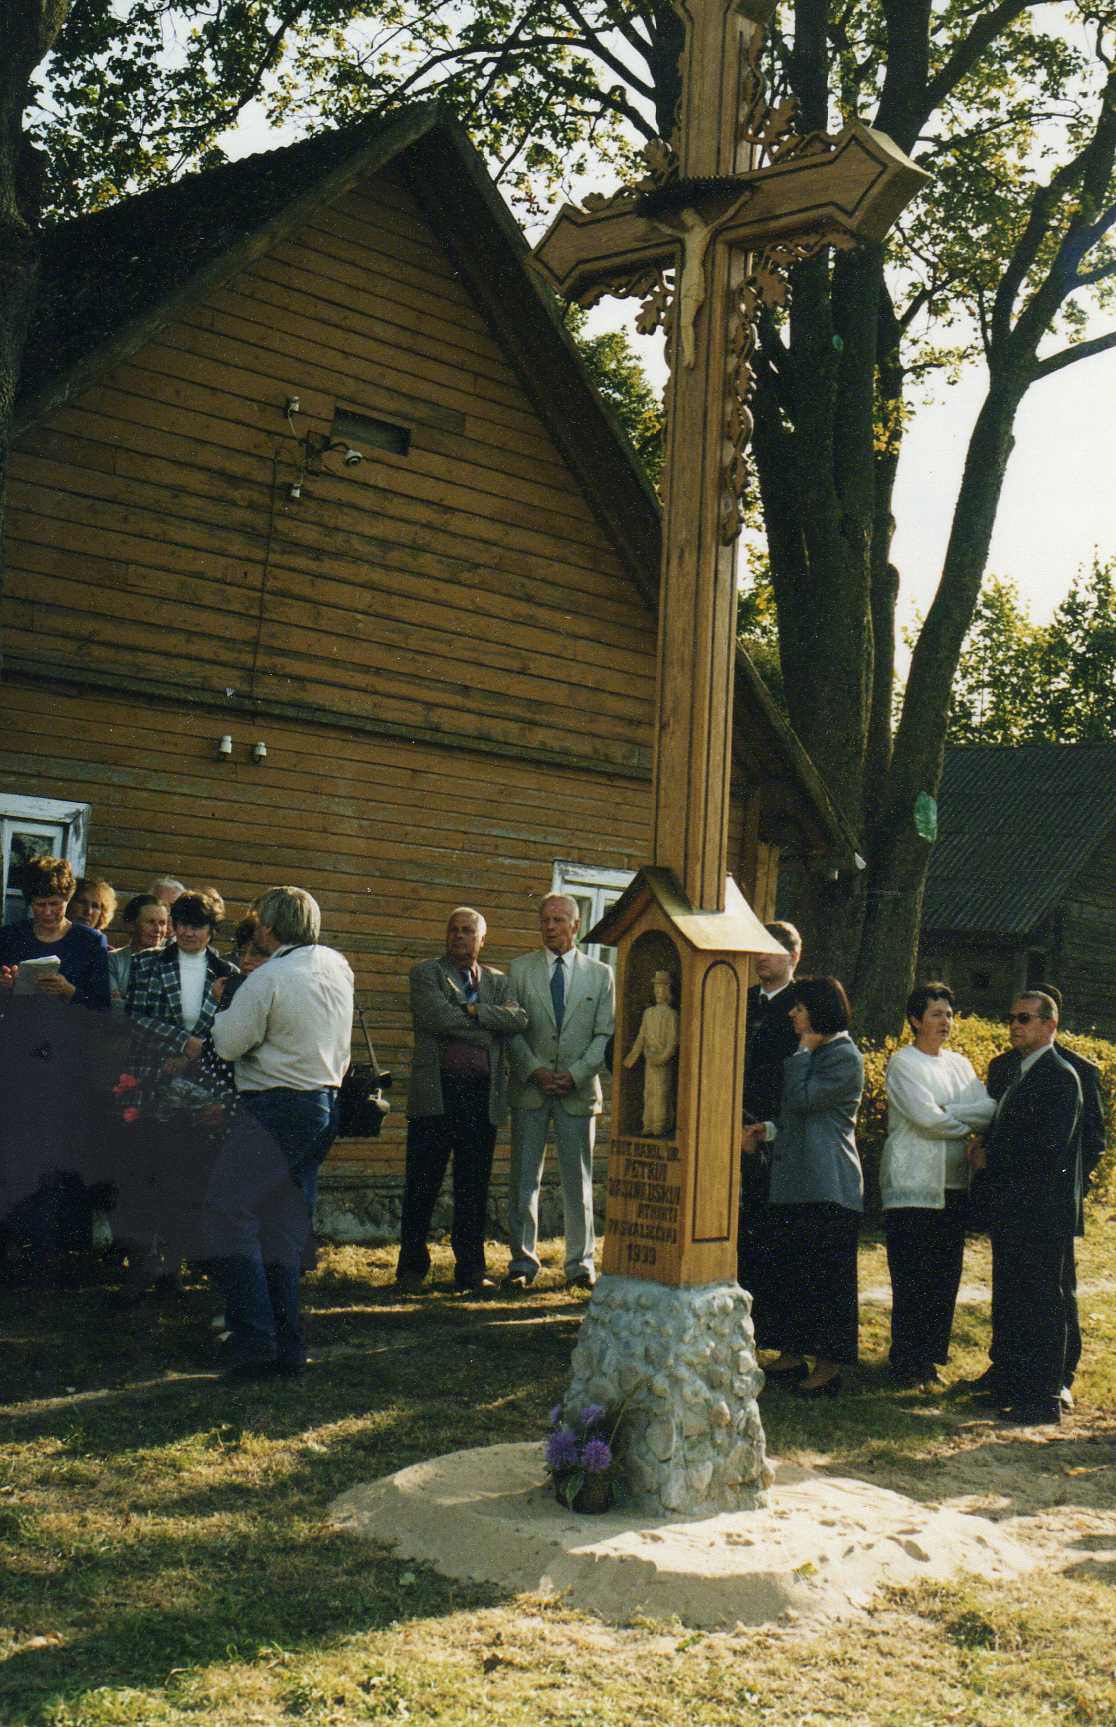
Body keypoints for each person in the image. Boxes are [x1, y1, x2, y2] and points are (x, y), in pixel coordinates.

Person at [208, 885, 353, 1379]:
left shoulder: (268, 977)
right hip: (323, 1104)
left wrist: (225, 1004)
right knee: (282, 1227)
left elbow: (228, 1045)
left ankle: (255, 1339)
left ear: (268, 928)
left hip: (275, 1105)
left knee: (229, 1211)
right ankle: (287, 1345)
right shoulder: (336, 965)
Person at [970, 985, 1095, 1417]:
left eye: (1024, 1018)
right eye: (1012, 1018)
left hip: (1041, 1211)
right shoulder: (1020, 1072)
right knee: (1014, 1300)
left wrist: (992, 1157)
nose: (1015, 1026)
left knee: (1042, 1303)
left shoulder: (1060, 1076)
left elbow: (1047, 1149)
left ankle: (1042, 1397)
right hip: (1014, 1208)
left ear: (1050, 1024)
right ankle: (1012, 1385)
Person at [395, 906, 528, 1295]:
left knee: (474, 1186)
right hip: (437, 1095)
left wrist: (470, 1011)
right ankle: (411, 1269)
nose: (459, 936)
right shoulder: (426, 975)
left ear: (481, 939)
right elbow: (437, 1018)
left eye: (468, 930)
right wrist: (488, 1024)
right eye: (453, 929)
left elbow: (518, 1019)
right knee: (422, 1183)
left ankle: (470, 1271)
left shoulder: (499, 982)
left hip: (481, 1098)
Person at [742, 975, 864, 1397]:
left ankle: (828, 1366)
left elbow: (805, 1100)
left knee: (825, 1278)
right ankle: (793, 1353)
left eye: (799, 1008)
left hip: (828, 1185)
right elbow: (799, 1118)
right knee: (792, 1270)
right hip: (797, 1181)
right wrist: (769, 1131)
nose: (792, 1014)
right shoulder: (818, 1052)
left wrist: (801, 1054)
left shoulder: (843, 1056)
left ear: (818, 1011)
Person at [122, 892, 237, 1297]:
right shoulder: (146, 963)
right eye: (181, 923)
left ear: (212, 930)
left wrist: (192, 1058)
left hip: (200, 1092)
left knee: (187, 1182)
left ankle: (172, 1269)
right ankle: (140, 1268)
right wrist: (180, 1044)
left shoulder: (228, 972)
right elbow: (134, 1020)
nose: (187, 932)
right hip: (151, 1085)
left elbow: (230, 1035)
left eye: (197, 925)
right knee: (145, 1178)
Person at [880, 982, 995, 1386]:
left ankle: (930, 1358)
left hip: (952, 1183)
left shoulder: (960, 1065)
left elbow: (989, 1110)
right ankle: (906, 1360)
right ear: (915, 1020)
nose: (945, 1022)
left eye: (948, 1014)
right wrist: (960, 1118)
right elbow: (924, 1120)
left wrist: (949, 1110)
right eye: (935, 1015)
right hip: (912, 1183)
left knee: (944, 1275)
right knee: (912, 1274)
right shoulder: (903, 1063)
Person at [504, 894, 615, 1291]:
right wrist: (533, 1069)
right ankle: (521, 1262)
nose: (550, 927)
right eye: (545, 920)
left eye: (558, 920)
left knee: (578, 1180)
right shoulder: (518, 971)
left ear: (576, 926)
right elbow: (512, 1031)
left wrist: (577, 1073)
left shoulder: (600, 975)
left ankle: (580, 1265)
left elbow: (604, 1032)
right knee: (523, 1179)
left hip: (577, 1091)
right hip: (530, 1089)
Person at [739, 921, 802, 1335]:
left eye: (772, 950)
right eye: (757, 948)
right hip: (733, 1122)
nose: (761, 956)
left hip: (778, 1128)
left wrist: (775, 1124)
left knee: (769, 1224)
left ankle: (767, 1320)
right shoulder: (741, 1000)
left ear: (794, 956)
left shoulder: (802, 1005)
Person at [0, 855, 111, 1011]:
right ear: (29, 902)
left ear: (67, 900)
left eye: (55, 904)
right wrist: (5, 986)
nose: (48, 912)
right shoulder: (9, 936)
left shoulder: (91, 941)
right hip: (17, 1030)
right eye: (40, 905)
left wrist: (69, 991)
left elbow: (103, 1007)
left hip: (67, 1032)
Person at [623, 969, 679, 1137]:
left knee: (662, 1093)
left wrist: (662, 1058)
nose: (658, 992)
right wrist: (631, 1058)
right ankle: (648, 1124)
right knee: (649, 1092)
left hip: (662, 1062)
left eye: (662, 989)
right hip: (649, 1059)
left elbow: (672, 1041)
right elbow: (641, 1037)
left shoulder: (672, 1015)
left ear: (668, 991)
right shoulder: (648, 1013)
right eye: (656, 989)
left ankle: (659, 1125)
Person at [107, 894, 170, 1012]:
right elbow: (115, 1007)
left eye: (162, 923)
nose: (158, 929)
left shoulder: (172, 961)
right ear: (131, 925)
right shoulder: (114, 960)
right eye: (151, 922)